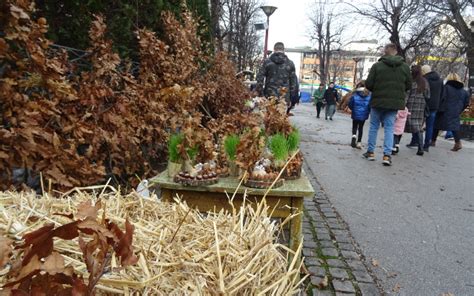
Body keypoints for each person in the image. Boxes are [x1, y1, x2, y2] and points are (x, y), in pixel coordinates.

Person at [363, 43, 412, 166]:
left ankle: (371, 152)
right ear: (396, 51)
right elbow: (409, 85)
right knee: (390, 128)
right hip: (394, 104)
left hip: (378, 102)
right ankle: (386, 155)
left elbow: (369, 84)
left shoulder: (377, 66)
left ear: (385, 51)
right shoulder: (405, 67)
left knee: (374, 126)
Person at [256, 42, 297, 114]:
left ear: (274, 49)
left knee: (268, 119)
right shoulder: (290, 63)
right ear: (283, 50)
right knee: (280, 121)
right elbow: (293, 83)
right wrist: (292, 99)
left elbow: (260, 78)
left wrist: (261, 94)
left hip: (269, 96)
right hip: (284, 97)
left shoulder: (267, 62)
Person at [432, 73, 470, 151]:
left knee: (436, 125)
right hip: (456, 111)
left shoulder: (446, 88)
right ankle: (458, 142)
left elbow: (441, 98)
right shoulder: (464, 91)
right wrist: (460, 109)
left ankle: (432, 141)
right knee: (454, 127)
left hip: (444, 110)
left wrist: (438, 107)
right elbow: (466, 103)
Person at [404, 65, 430, 156]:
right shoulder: (425, 82)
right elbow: (428, 96)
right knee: (419, 127)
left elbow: (406, 95)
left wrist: (403, 105)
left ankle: (395, 145)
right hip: (421, 106)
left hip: (411, 106)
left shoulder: (411, 82)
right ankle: (421, 148)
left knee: (400, 126)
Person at [348, 81, 371, 149]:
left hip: (355, 113)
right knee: (361, 128)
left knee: (354, 126)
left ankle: (354, 136)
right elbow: (370, 106)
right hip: (364, 115)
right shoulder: (369, 96)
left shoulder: (354, 95)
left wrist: (353, 109)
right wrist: (368, 112)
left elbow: (350, 104)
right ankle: (359, 142)